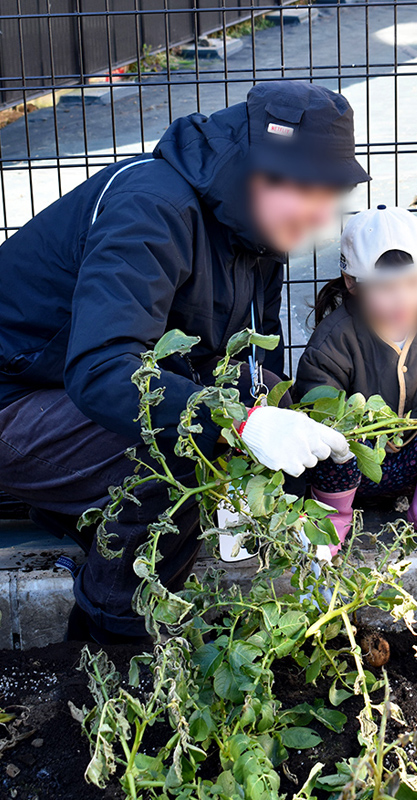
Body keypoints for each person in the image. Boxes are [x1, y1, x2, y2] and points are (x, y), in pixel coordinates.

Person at [0, 81, 370, 643]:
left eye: (331, 195)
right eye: (312, 194)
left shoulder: (258, 234)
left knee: (262, 394)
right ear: (259, 170)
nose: (321, 218)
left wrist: (274, 434)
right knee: (177, 443)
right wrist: (239, 423)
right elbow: (102, 370)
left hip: (56, 397)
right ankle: (113, 638)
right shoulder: (154, 208)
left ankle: (84, 520)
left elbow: (247, 360)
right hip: (16, 398)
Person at [294, 206, 417, 553]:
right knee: (330, 447)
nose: (402, 298)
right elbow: (314, 393)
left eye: (413, 283)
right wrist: (342, 427)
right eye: (384, 288)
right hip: (356, 466)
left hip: (415, 461)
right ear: (352, 283)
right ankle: (334, 518)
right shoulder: (335, 336)